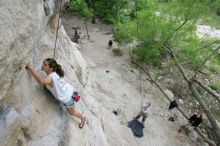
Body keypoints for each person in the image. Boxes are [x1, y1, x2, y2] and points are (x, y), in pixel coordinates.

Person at [26, 58, 86, 129]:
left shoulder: (50, 78)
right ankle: (82, 118)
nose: (42, 65)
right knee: (72, 111)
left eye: (45, 65)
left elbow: (41, 81)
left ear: (51, 68)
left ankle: (83, 119)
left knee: (72, 112)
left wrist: (31, 68)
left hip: (68, 98)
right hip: (68, 91)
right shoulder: (54, 72)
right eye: (43, 63)